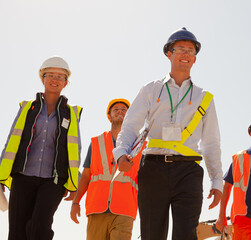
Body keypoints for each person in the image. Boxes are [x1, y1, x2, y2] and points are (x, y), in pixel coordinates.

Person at [112, 27, 223, 240]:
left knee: (186, 235)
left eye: (191, 51)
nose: (186, 54)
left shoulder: (204, 98)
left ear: (195, 59)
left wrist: (216, 180)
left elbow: (211, 142)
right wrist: (121, 152)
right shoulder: (151, 90)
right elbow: (130, 125)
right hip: (153, 169)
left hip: (189, 171)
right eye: (180, 48)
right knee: (152, 234)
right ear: (169, 53)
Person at [0, 56, 82, 240]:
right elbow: (11, 141)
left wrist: (73, 183)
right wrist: (1, 175)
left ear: (66, 83)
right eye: (50, 75)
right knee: (17, 230)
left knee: (40, 227)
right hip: (22, 176)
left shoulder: (71, 113)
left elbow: (75, 149)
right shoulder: (27, 108)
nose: (55, 79)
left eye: (60, 76)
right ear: (42, 78)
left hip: (53, 180)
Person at [70, 98, 144, 240]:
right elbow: (86, 176)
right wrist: (76, 202)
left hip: (124, 210)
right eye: (116, 109)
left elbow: (146, 181)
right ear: (109, 116)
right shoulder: (96, 143)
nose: (120, 112)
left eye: (124, 110)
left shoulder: (140, 146)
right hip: (96, 209)